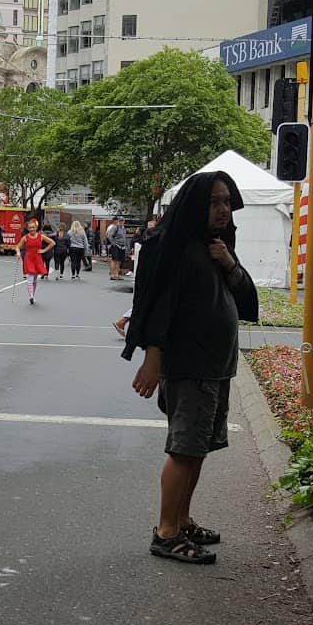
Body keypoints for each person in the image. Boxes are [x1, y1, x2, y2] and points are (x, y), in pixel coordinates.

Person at [124, 172, 258, 565]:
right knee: (183, 450)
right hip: (190, 365)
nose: (223, 209)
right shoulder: (176, 248)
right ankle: (166, 532)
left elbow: (246, 299)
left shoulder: (217, 247)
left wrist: (229, 264)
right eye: (214, 201)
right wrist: (152, 357)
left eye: (227, 201)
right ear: (196, 204)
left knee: (197, 449)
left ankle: (182, 520)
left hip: (216, 366)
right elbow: (157, 304)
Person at [18, 218, 54, 305]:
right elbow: (17, 246)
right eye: (30, 228)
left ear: (36, 228)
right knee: (30, 279)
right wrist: (18, 253)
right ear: (28, 228)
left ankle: (32, 296)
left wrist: (44, 250)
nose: (32, 229)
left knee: (34, 280)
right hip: (28, 259)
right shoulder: (25, 238)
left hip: (37, 259)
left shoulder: (41, 236)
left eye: (33, 227)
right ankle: (31, 296)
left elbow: (52, 243)